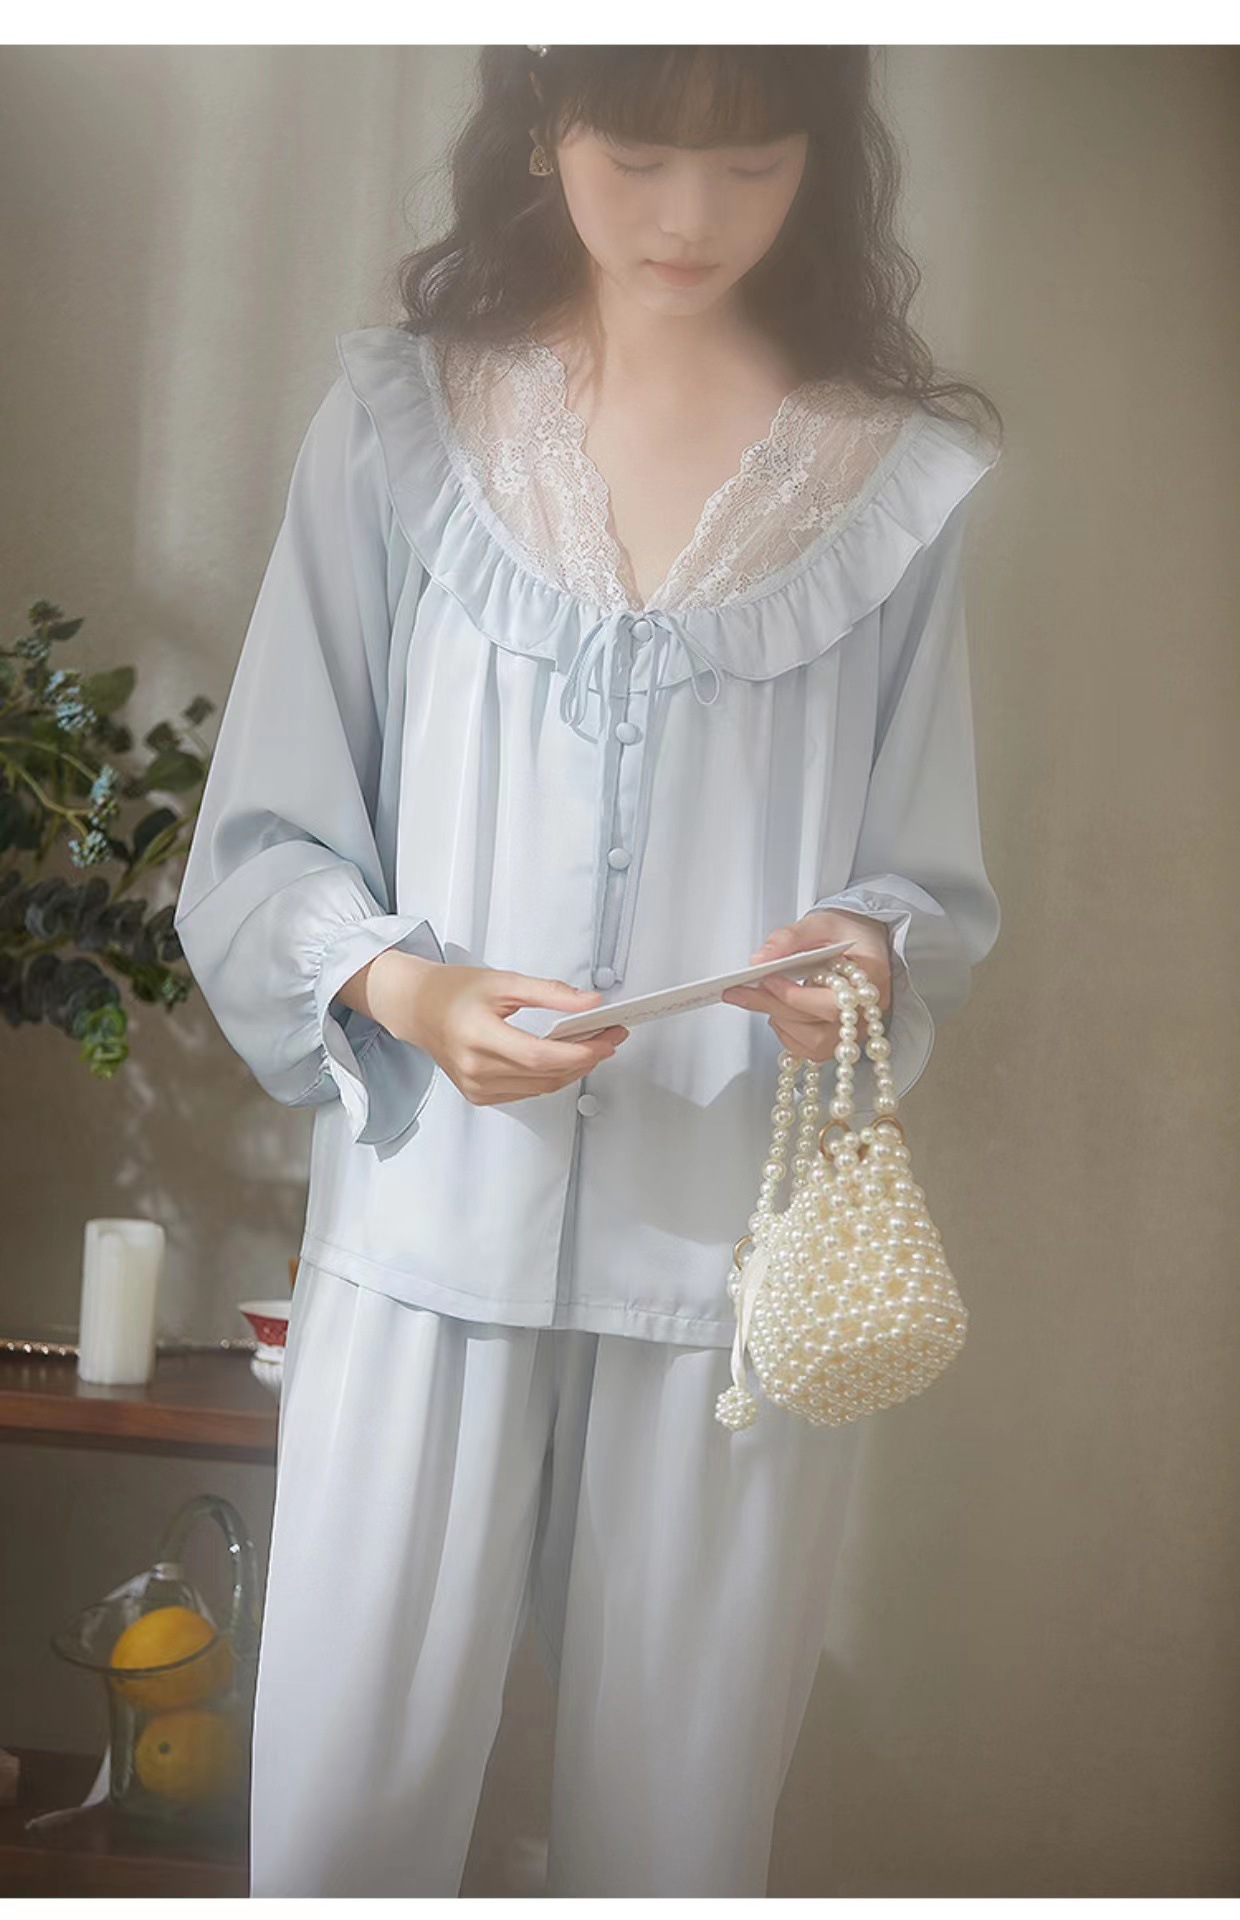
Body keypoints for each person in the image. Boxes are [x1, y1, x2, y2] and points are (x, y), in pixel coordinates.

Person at [173, 45, 1004, 1898]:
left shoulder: (887, 483)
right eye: (638, 156)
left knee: (676, 1846)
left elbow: (923, 874)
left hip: (729, 1276)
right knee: (342, 1827)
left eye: (754, 165)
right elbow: (265, 841)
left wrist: (861, 957)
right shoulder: (397, 434)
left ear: (823, 159)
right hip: (423, 1240)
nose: (691, 217)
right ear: (544, 126)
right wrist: (411, 995)